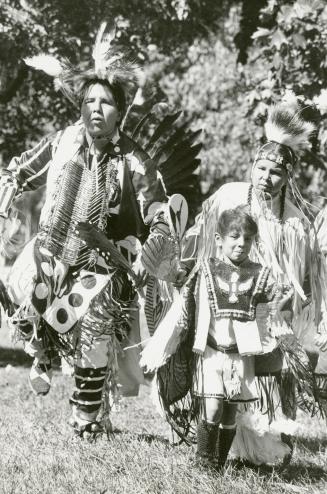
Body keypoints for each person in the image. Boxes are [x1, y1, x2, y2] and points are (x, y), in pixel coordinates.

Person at [0, 23, 167, 436]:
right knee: (20, 288)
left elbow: (159, 213)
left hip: (106, 261)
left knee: (91, 326)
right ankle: (41, 350)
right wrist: (6, 194)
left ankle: (87, 419)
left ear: (119, 110)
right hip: (54, 248)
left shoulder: (134, 159)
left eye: (106, 102)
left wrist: (151, 249)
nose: (95, 108)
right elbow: (19, 171)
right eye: (89, 100)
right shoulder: (64, 142)